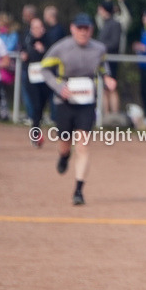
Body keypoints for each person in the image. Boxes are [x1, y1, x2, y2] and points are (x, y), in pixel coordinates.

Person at [39, 13, 116, 205]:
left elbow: (103, 66)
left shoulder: (99, 48)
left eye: (86, 28)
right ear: (72, 28)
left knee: (83, 146)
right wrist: (59, 87)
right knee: (65, 143)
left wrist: (107, 77)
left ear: (91, 30)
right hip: (64, 101)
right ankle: (64, 156)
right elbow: (44, 69)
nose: (83, 32)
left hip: (87, 102)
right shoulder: (61, 47)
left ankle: (78, 190)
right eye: (79, 28)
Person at [22, 17, 51, 144]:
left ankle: (36, 127)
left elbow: (52, 55)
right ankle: (35, 133)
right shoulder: (27, 39)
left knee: (42, 106)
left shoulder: (48, 39)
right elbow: (24, 53)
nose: (37, 30)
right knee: (36, 105)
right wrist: (25, 54)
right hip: (32, 78)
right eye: (34, 28)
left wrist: (43, 50)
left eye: (39, 27)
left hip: (45, 78)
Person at [96, 1, 122, 115]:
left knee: (112, 87)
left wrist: (100, 47)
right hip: (103, 60)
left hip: (111, 60)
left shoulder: (115, 24)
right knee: (103, 87)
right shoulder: (105, 23)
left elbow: (115, 43)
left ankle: (114, 114)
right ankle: (105, 115)